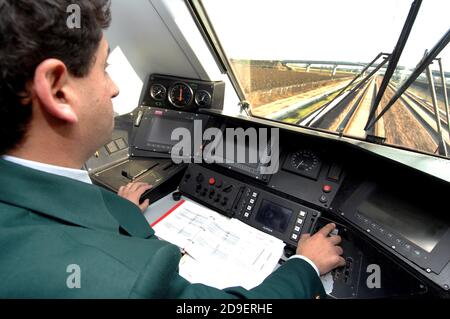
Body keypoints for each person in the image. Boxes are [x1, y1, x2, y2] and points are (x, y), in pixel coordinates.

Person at [0, 0, 345, 298]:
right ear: (58, 91)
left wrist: (117, 214)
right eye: (104, 69)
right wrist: (306, 266)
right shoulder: (124, 282)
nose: (115, 88)